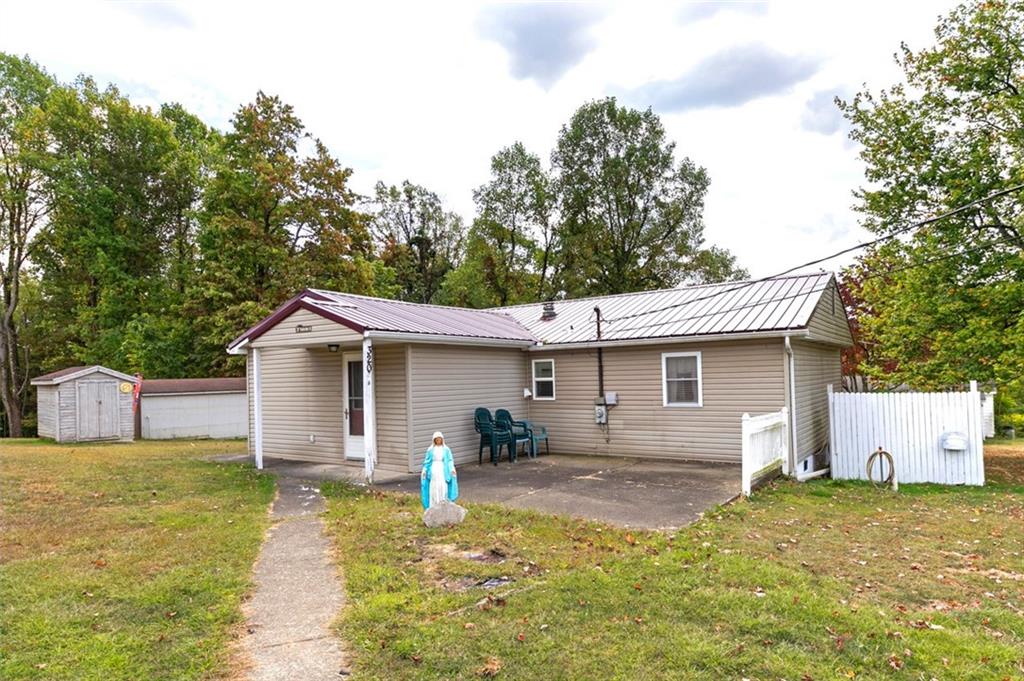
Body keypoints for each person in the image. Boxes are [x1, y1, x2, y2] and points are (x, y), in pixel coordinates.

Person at [420, 431, 458, 509]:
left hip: (443, 470)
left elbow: (450, 460)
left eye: (439, 439)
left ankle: (443, 503)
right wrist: (424, 470)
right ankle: (434, 505)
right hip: (434, 470)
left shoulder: (446, 449)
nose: (438, 441)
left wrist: (452, 469)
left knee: (443, 485)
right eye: (436, 439)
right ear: (434, 440)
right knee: (434, 485)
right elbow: (427, 461)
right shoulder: (430, 450)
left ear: (442, 440)